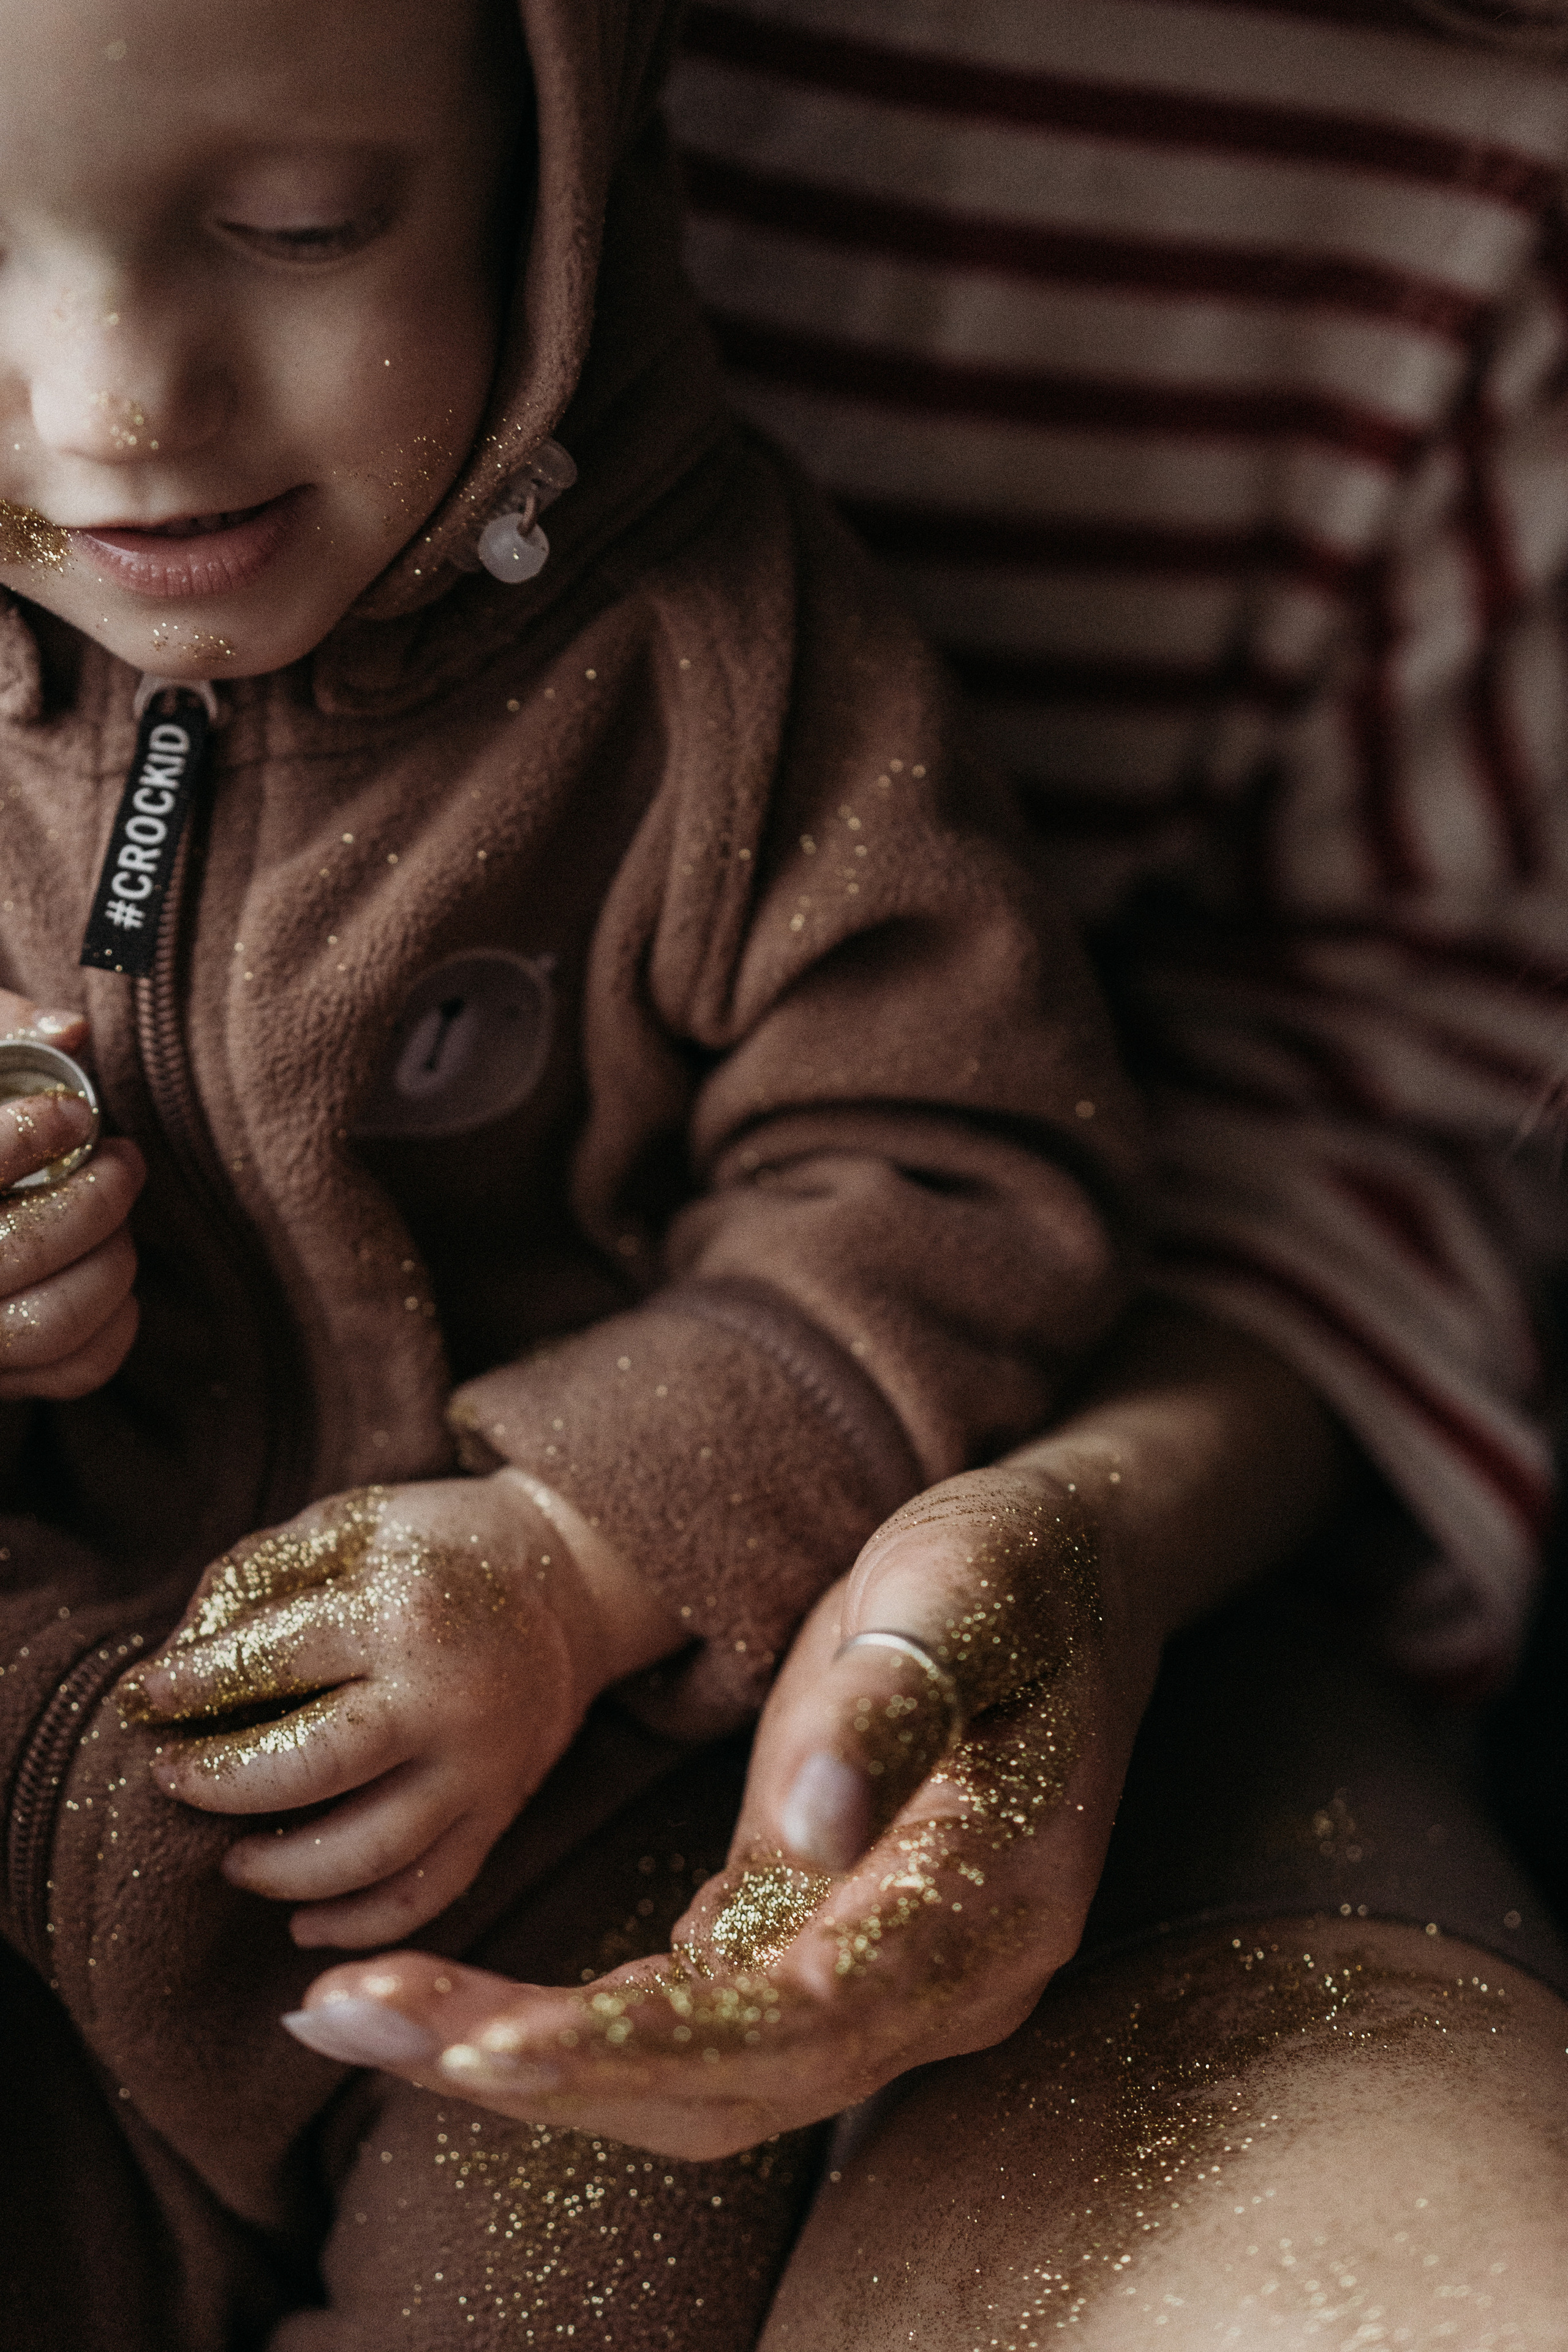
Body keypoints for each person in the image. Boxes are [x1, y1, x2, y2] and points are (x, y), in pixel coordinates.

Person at [285, 3, 1568, 2343]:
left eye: (294, 230)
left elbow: (1362, 1099)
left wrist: (1052, 1532)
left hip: (976, 1544)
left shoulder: (1463, 176)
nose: (127, 411)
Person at [0, 0, 1141, 2345]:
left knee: (576, 2262)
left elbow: (960, 1174)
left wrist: (589, 1545)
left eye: (301, 227)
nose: (114, 402)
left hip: (547, 1841)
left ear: (558, 178)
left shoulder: (725, 661)